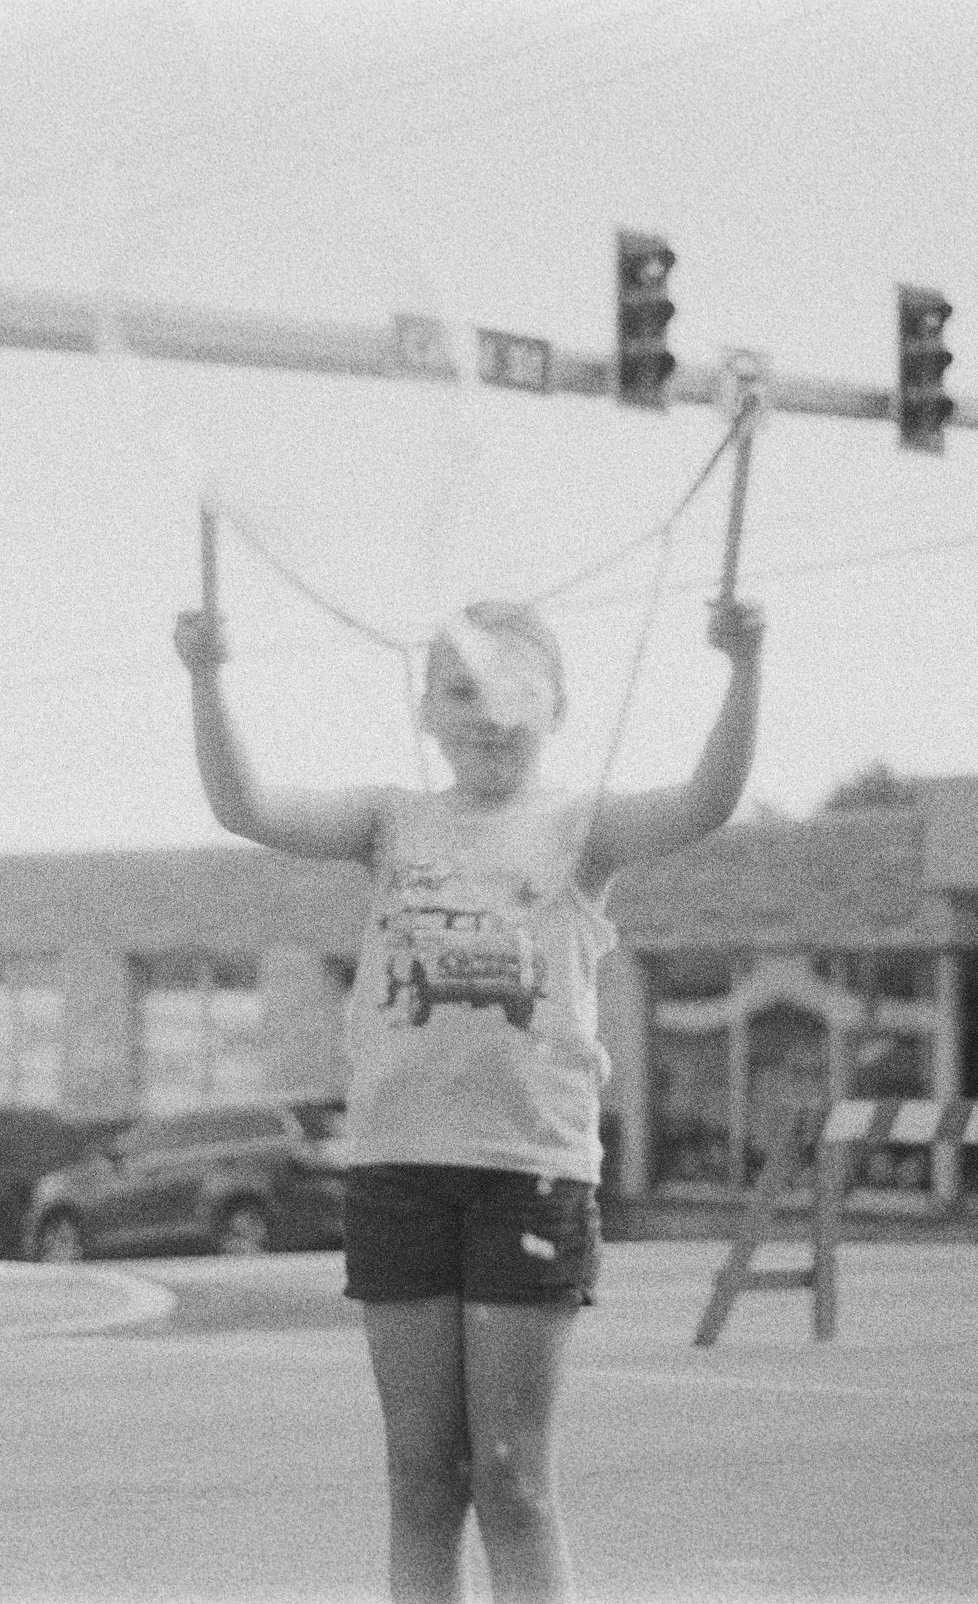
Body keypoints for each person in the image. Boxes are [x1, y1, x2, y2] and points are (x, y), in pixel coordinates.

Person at [176, 594, 763, 1603]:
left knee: (511, 1475)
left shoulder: (583, 829)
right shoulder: (387, 821)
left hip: (528, 1175)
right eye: (464, 690)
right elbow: (246, 804)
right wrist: (205, 675)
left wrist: (742, 665)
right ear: (428, 710)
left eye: (516, 690)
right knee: (420, 1477)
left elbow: (706, 800)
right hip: (397, 1171)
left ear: (559, 706)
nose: (490, 714)